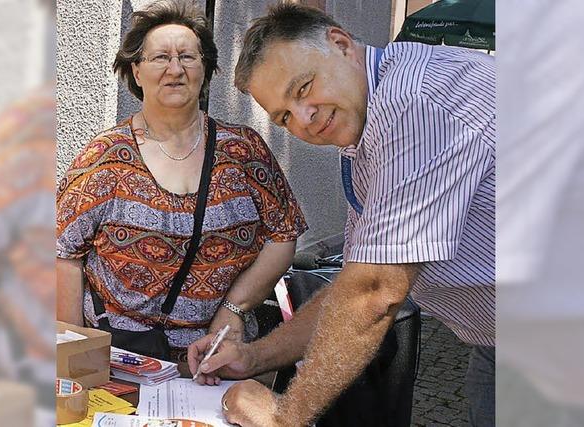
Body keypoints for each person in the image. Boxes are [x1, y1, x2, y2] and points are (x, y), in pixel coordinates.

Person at [187, 3, 495, 427]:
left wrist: (284, 416)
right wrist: (253, 357)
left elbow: (374, 292)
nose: (305, 120)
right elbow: (354, 281)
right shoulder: (368, 119)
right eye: (283, 117)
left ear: (341, 44)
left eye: (303, 88)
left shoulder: (410, 104)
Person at [56, 0, 307, 362]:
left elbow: (283, 233)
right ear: (136, 72)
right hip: (121, 359)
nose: (175, 69)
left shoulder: (243, 150)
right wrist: (72, 356)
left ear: (205, 69)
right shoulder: (104, 158)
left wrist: (235, 308)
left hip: (219, 355)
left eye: (188, 57)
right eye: (160, 58)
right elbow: (64, 253)